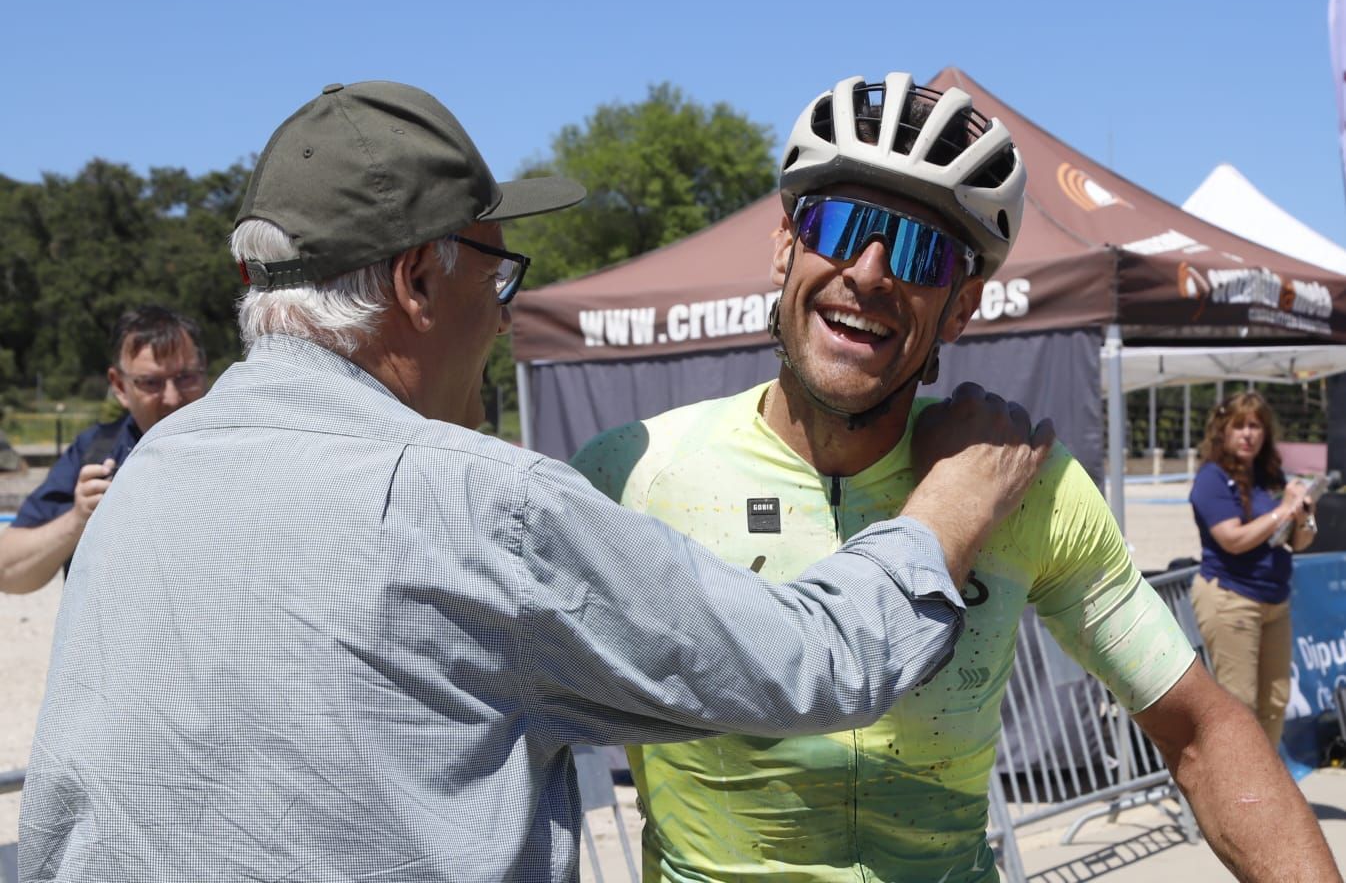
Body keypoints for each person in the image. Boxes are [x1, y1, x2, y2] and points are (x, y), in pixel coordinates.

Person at [18, 80, 1055, 883]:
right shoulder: (480, 503)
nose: (506, 312)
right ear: (419, 279)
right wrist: (944, 509)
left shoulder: (155, 472)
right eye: (495, 272)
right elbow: (816, 665)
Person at [571, 73, 1340, 882]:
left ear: (963, 307)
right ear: (784, 247)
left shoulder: (1024, 484)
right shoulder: (636, 473)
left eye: (917, 250)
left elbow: (1201, 732)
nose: (869, 272)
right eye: (841, 225)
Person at [0, 305, 206, 594]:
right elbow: (9, 573)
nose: (172, 398)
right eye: (151, 383)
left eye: (186, 377)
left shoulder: (242, 449)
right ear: (119, 386)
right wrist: (79, 518)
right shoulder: (94, 453)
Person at [1189, 390, 1316, 747]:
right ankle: (1240, 796)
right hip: (1232, 598)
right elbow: (1232, 539)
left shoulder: (1270, 476)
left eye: (1256, 426)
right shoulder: (1211, 478)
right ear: (1222, 431)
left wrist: (1303, 518)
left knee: (1275, 701)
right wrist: (1284, 510)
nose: (1248, 434)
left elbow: (1298, 542)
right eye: (1240, 426)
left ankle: (1267, 785)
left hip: (1274, 600)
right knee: (1238, 706)